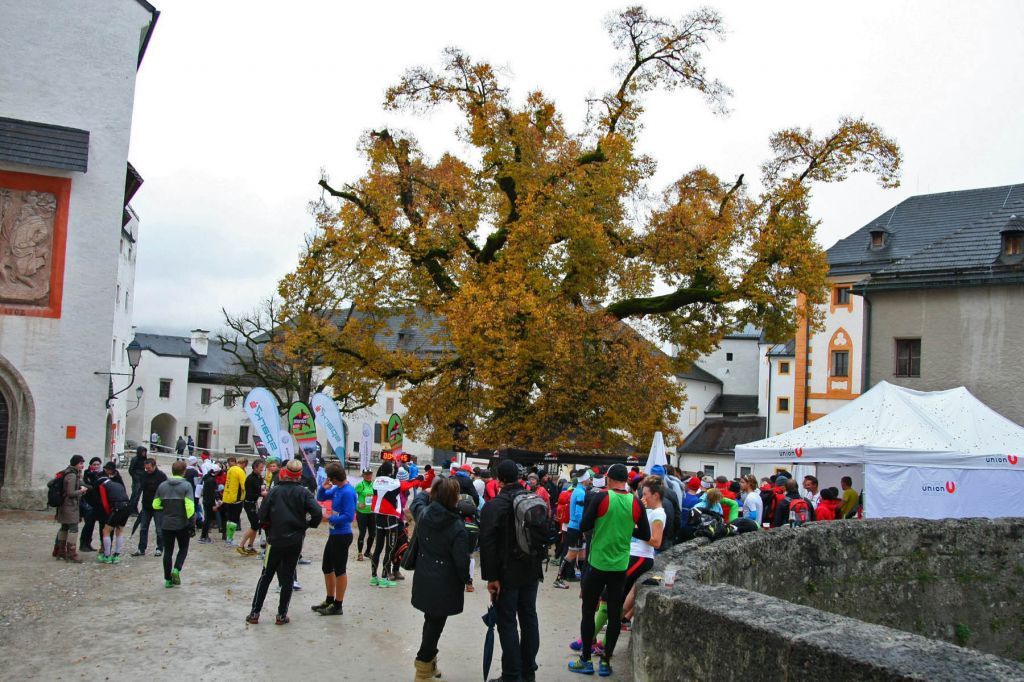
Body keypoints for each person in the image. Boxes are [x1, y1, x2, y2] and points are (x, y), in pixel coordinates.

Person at [569, 463, 651, 677]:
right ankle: (605, 662)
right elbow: (645, 533)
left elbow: (584, 525)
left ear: (609, 478)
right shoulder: (636, 501)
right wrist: (626, 527)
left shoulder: (601, 497)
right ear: (626, 480)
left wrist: (603, 523)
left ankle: (586, 660)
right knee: (615, 614)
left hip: (597, 563)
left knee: (588, 611)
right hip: (620, 565)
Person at [479, 459, 542, 682]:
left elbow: (487, 544)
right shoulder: (533, 499)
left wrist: (491, 577)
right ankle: (528, 672)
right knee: (529, 618)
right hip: (531, 568)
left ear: (499, 480)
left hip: (507, 572)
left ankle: (512, 675)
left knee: (507, 623)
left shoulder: (494, 506)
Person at [246, 459, 323, 625]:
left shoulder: (274, 491)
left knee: (266, 575)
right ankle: (281, 615)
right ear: (299, 475)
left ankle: (254, 613)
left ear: (285, 473)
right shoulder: (303, 493)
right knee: (288, 577)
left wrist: (269, 527)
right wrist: (308, 524)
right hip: (295, 539)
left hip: (275, 539)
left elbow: (262, 515)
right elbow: (317, 512)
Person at [410, 476, 470, 681]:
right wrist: (466, 579)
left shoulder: (424, 514)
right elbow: (461, 561)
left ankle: (429, 663)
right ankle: (422, 668)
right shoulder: (457, 526)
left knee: (431, 622)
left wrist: (425, 492)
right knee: (435, 625)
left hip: (425, 577)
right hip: (445, 582)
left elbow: (415, 503)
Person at [312, 464, 356, 616]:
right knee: (326, 567)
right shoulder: (337, 489)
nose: (329, 481)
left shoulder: (347, 492)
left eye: (330, 479)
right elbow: (321, 497)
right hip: (334, 534)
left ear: (335, 478)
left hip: (342, 535)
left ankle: (338, 604)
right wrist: (322, 488)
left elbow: (349, 516)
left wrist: (330, 518)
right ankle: (329, 599)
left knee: (340, 570)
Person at [368, 461, 421, 588]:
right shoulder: (394, 483)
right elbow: (407, 484)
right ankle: (384, 578)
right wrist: (418, 479)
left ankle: (374, 577)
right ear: (391, 472)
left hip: (378, 517)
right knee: (390, 549)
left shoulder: (376, 481)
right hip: (391, 519)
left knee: (377, 549)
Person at [153, 460, 196, 587]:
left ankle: (167, 580)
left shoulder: (162, 485)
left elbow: (155, 504)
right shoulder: (187, 486)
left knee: (168, 552)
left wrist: (166, 508)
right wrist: (192, 522)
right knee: (183, 548)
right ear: (184, 472)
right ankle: (176, 569)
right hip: (182, 523)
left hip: (166, 523)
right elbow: (190, 507)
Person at [553, 469, 591, 588]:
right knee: (571, 555)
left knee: (582, 554)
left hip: (574, 528)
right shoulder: (580, 493)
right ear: (584, 480)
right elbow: (579, 514)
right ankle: (558, 579)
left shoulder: (578, 490)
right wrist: (583, 529)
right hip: (576, 529)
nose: (590, 480)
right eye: (589, 478)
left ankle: (584, 580)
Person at [53, 455, 88, 563]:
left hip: (64, 505)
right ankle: (71, 553)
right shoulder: (72, 475)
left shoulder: (67, 472)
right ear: (75, 464)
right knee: (73, 528)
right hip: (70, 506)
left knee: (64, 527)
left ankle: (61, 551)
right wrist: (82, 491)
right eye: (80, 463)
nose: (82, 465)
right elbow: (70, 493)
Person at [95, 462, 131, 564]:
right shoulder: (118, 484)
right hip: (127, 506)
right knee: (119, 530)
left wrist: (108, 513)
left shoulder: (102, 485)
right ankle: (116, 556)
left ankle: (107, 556)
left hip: (117, 507)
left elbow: (105, 502)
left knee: (106, 530)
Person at [132, 458, 167, 557]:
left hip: (158, 507)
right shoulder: (144, 475)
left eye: (149, 468)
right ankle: (141, 548)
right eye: (146, 468)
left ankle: (159, 548)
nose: (147, 470)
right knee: (143, 528)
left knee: (159, 529)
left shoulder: (161, 476)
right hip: (146, 506)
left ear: (154, 466)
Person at [236, 460, 266, 556]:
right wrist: (260, 494)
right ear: (255, 467)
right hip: (249, 503)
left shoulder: (259, 477)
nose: (262, 469)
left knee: (256, 525)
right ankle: (241, 545)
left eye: (262, 467)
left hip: (254, 503)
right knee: (254, 525)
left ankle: (250, 546)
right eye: (260, 467)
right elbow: (249, 494)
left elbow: (261, 488)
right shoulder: (250, 479)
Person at [80, 457, 104, 553]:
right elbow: (89, 486)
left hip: (98, 503)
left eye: (98, 464)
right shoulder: (87, 473)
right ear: (90, 465)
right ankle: (83, 544)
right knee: (89, 524)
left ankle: (89, 544)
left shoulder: (102, 474)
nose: (96, 466)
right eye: (94, 464)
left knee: (94, 525)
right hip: (89, 503)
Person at [222, 457, 247, 546]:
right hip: (236, 499)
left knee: (229, 518)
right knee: (234, 519)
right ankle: (229, 539)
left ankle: (228, 538)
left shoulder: (230, 469)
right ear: (244, 464)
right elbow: (244, 486)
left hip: (227, 497)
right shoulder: (240, 471)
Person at [354, 468, 376, 561]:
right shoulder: (360, 485)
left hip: (372, 513)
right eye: (366, 474)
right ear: (363, 475)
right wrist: (357, 504)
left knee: (372, 534)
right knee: (362, 533)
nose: (368, 476)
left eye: (370, 474)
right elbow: (352, 496)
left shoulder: (374, 484)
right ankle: (360, 553)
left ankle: (367, 552)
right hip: (362, 513)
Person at [199, 463, 222, 544]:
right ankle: (203, 537)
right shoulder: (212, 480)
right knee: (208, 520)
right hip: (209, 502)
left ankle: (204, 536)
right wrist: (214, 505)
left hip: (206, 501)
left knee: (207, 519)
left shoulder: (207, 478)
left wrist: (217, 499)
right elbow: (211, 494)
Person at [127, 446, 148, 513]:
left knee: (138, 496)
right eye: (143, 452)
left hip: (142, 479)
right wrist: (135, 477)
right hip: (137, 480)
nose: (144, 453)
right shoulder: (135, 459)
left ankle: (134, 508)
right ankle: (130, 509)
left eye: (145, 452)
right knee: (134, 495)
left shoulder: (144, 460)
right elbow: (131, 470)